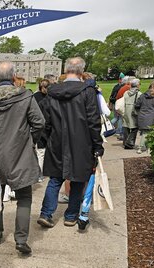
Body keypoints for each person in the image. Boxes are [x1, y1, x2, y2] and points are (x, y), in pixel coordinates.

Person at [0, 62, 45, 253]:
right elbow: (39, 122)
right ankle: (20, 239)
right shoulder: (24, 95)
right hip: (19, 151)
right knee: (24, 197)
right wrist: (28, 140)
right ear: (13, 76)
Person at [37, 57, 104, 229]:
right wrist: (97, 145)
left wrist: (45, 140)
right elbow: (93, 121)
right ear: (81, 71)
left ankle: (46, 213)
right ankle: (71, 215)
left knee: (55, 179)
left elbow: (46, 121)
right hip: (80, 142)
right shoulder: (87, 91)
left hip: (58, 140)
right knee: (78, 179)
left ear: (66, 70)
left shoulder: (53, 92)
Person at [134, 80, 154, 154]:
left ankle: (145, 147)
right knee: (148, 132)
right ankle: (143, 147)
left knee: (145, 132)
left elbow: (137, 105)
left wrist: (140, 111)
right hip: (152, 116)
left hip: (142, 115)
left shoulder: (143, 95)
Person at [121, 78, 142, 149]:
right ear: (137, 85)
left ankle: (125, 142)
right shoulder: (139, 94)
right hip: (134, 111)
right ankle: (129, 143)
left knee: (126, 126)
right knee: (135, 128)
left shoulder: (126, 93)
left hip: (126, 110)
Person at [109, 74, 126, 140]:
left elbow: (111, 95)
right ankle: (118, 130)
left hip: (114, 103)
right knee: (119, 118)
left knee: (116, 117)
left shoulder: (116, 86)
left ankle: (109, 127)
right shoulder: (121, 87)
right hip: (118, 104)